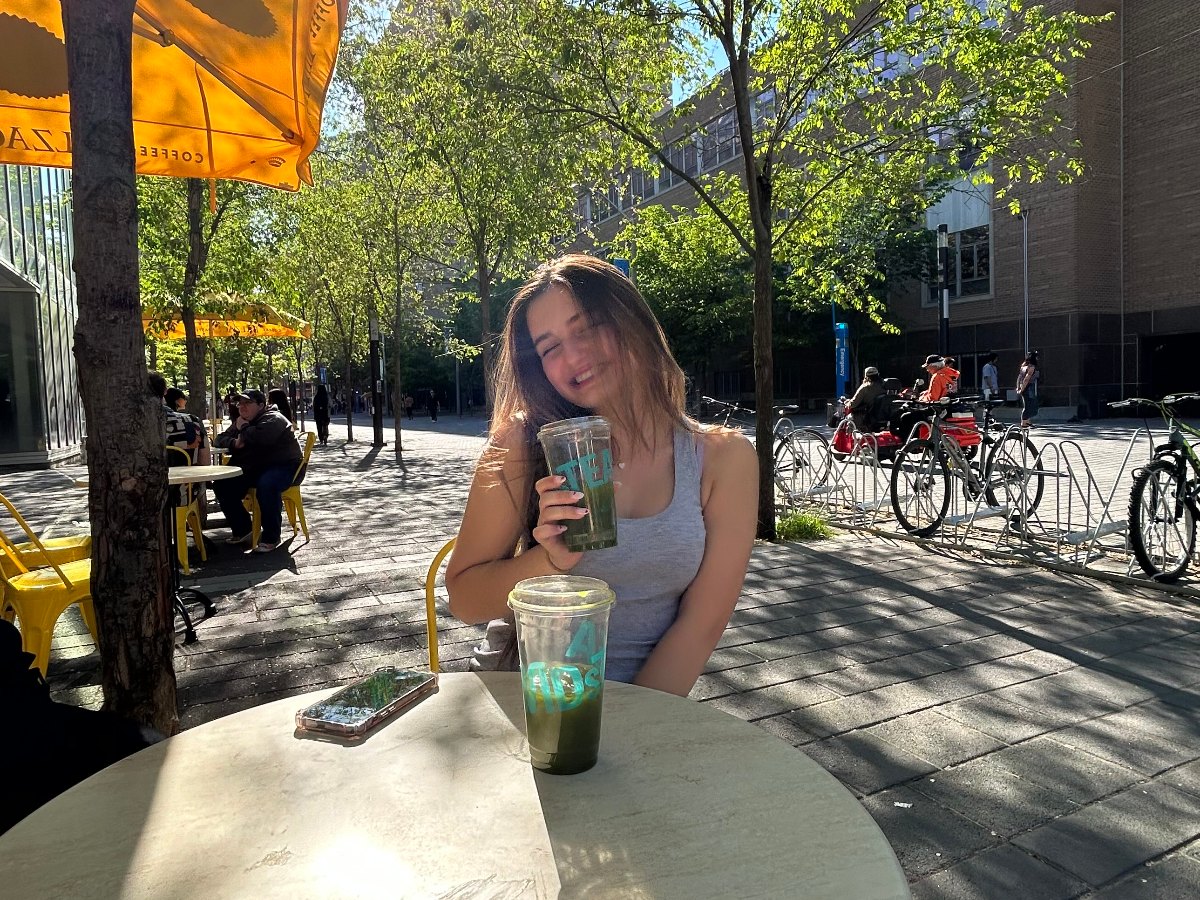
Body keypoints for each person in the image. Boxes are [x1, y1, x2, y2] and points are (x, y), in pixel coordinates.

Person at [445, 253, 758, 697]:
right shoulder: (522, 443)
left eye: (587, 327)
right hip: (526, 700)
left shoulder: (724, 459)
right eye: (550, 347)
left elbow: (700, 627)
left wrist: (627, 734)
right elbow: (463, 598)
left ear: (630, 320)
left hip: (652, 708)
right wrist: (548, 560)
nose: (573, 356)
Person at [213, 389, 302, 553]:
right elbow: (219, 439)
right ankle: (243, 529)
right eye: (240, 403)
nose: (242, 407)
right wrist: (235, 443)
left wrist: (243, 427)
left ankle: (272, 536)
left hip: (283, 466)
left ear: (261, 405)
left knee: (266, 485)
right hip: (256, 467)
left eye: (248, 403)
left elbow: (261, 439)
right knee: (222, 484)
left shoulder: (274, 418)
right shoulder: (243, 421)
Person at [164, 386, 210, 465]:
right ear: (177, 400)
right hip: (189, 474)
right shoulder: (194, 421)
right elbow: (205, 461)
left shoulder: (145, 424)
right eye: (183, 398)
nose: (186, 400)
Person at [848, 366, 885, 431]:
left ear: (866, 376)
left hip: (868, 418)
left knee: (848, 419)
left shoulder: (865, 387)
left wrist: (847, 402)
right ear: (878, 374)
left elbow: (853, 404)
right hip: (883, 417)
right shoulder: (885, 387)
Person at [1016, 351, 1040, 428]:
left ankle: (1027, 421)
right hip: (1028, 387)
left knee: (1028, 404)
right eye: (1036, 357)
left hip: (1024, 386)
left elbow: (1019, 377)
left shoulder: (1023, 366)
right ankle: (1024, 422)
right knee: (1030, 405)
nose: (1037, 358)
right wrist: (1022, 389)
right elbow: (1026, 379)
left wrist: (1018, 387)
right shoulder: (1031, 367)